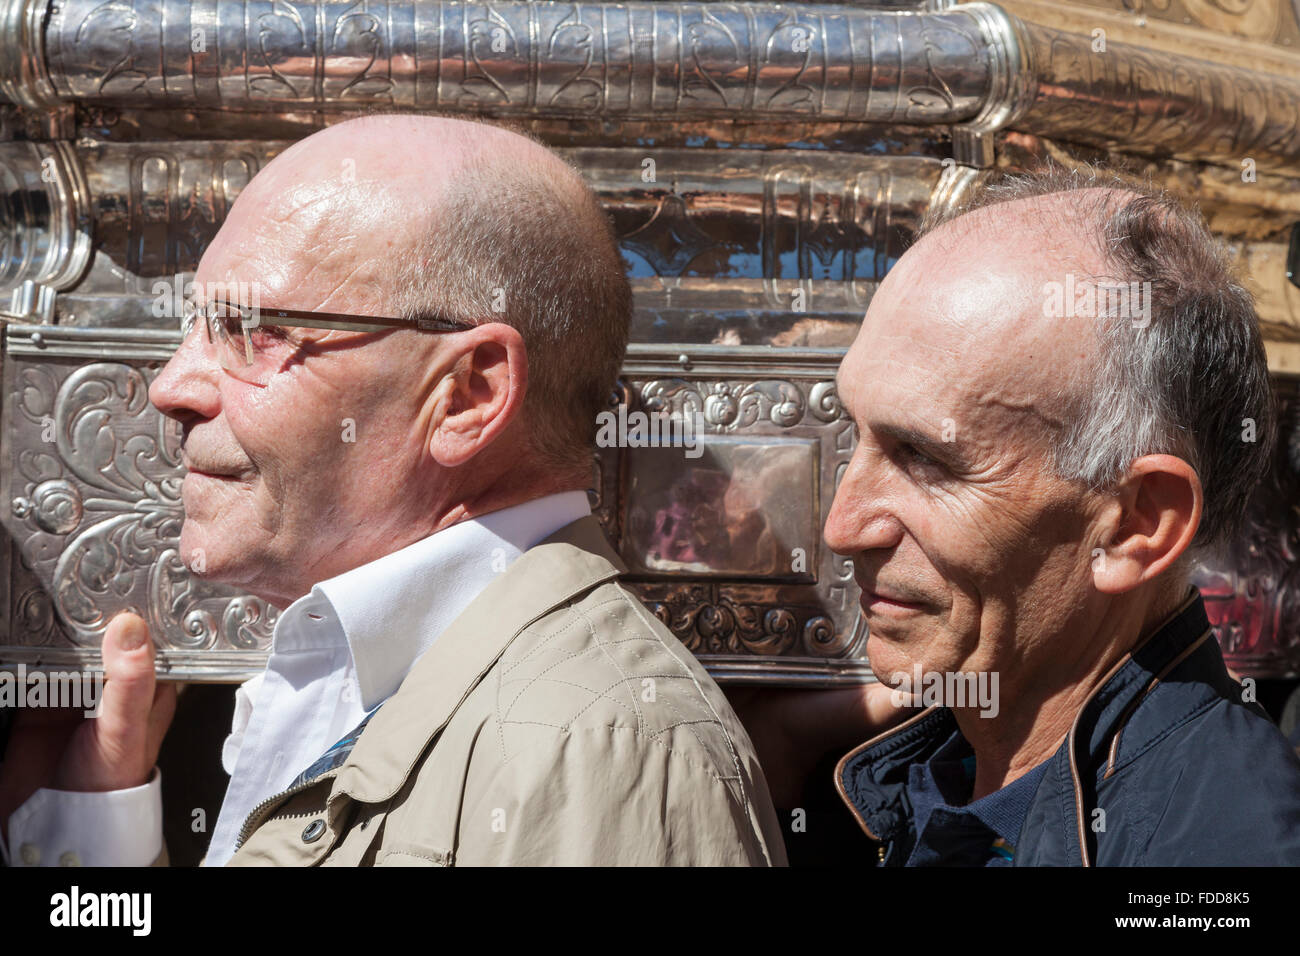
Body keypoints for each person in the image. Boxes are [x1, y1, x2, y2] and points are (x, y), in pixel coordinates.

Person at [0, 113, 785, 867]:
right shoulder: (367, 675)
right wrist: (96, 835)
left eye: (253, 331)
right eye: (195, 326)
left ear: (469, 395)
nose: (172, 386)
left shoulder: (603, 752)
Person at [800, 165, 1300, 865]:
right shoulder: (915, 774)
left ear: (1135, 525)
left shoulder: (1221, 858)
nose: (843, 528)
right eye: (855, 431)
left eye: (924, 458)